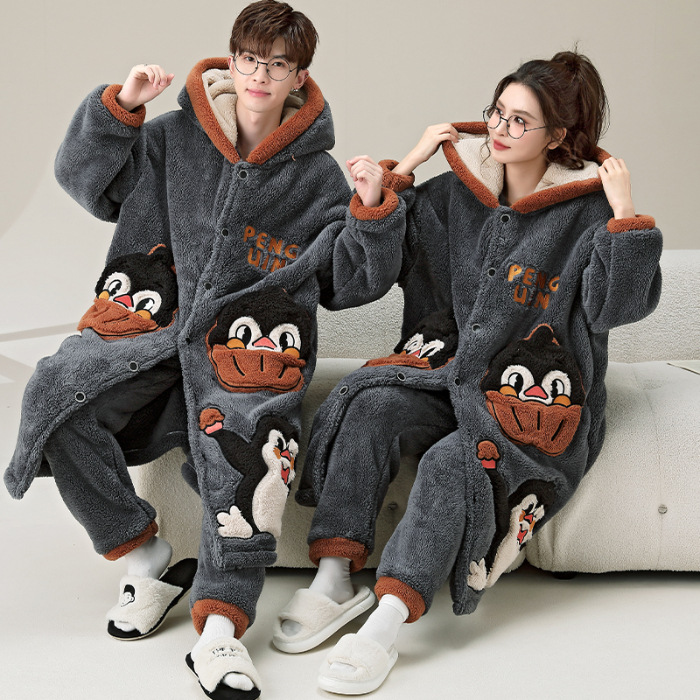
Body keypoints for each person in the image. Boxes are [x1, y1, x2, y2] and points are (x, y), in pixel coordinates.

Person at [4, 2, 404, 698]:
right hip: (147, 327)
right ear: (232, 58)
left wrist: (370, 212)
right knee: (56, 395)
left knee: (244, 467)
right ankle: (145, 558)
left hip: (244, 355)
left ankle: (220, 629)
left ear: (299, 76)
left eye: (277, 65)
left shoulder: (316, 177)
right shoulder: (170, 138)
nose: (259, 75)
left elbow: (347, 283)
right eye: (249, 59)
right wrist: (121, 109)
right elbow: (87, 182)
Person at [273, 50, 663, 695]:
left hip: (523, 400)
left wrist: (624, 216)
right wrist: (397, 176)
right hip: (444, 370)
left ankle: (387, 621)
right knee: (372, 407)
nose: (500, 129)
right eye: (497, 112)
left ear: (558, 136)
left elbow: (614, 308)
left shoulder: (588, 214)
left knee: (454, 462)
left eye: (520, 121)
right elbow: (370, 271)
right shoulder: (457, 193)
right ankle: (335, 577)